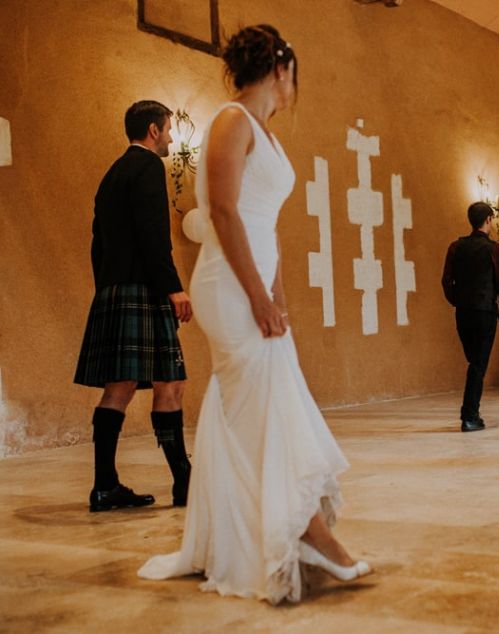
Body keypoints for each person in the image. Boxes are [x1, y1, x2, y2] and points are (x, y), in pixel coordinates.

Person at [138, 25, 370, 604]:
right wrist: (257, 296)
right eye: (295, 76)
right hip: (229, 287)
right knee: (268, 411)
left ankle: (238, 536)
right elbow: (221, 211)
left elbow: (267, 227)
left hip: (257, 284)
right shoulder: (230, 121)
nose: (295, 87)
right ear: (280, 70)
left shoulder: (266, 133)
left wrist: (280, 295)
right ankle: (310, 537)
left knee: (252, 410)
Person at [74, 100, 193, 512]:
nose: (173, 137)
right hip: (143, 290)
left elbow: (97, 241)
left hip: (116, 289)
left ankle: (106, 486)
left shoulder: (113, 174)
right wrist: (173, 288)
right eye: (169, 129)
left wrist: (107, 284)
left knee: (120, 388)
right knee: (170, 382)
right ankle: (185, 482)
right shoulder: (147, 168)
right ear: (154, 130)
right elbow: (153, 234)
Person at [441, 201, 499, 432]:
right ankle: (469, 416)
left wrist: (457, 301)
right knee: (478, 365)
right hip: (484, 312)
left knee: (474, 362)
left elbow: (446, 280)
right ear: (489, 220)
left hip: (462, 313)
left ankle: (470, 413)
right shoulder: (495, 250)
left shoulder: (455, 247)